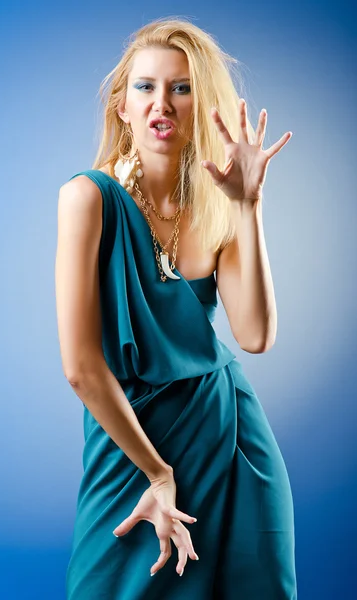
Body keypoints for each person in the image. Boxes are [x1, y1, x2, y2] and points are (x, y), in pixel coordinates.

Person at [55, 17, 297, 600]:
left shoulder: (219, 203)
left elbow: (255, 334)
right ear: (122, 105)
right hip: (133, 443)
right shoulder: (87, 198)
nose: (161, 102)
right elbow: (82, 369)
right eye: (145, 87)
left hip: (229, 437)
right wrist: (157, 472)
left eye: (181, 88)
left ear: (200, 104)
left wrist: (248, 207)